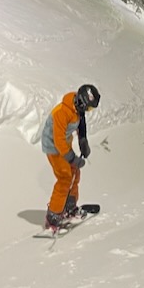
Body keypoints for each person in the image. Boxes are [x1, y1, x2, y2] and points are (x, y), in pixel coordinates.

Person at [41, 84, 101, 228]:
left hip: (64, 145)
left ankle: (69, 207)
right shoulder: (62, 112)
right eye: (89, 108)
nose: (88, 111)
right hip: (53, 147)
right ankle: (53, 216)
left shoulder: (78, 108)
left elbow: (81, 123)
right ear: (81, 102)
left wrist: (83, 140)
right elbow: (58, 140)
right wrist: (72, 158)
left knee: (75, 172)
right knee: (65, 178)